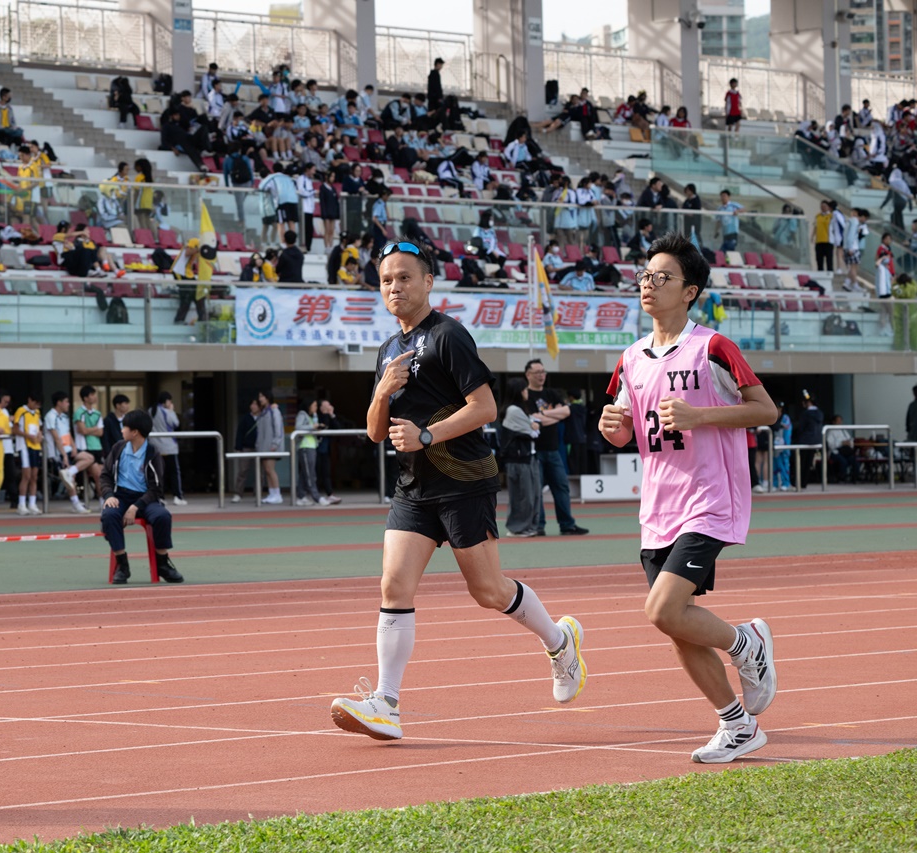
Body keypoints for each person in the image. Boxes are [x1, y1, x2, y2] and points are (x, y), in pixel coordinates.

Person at [330, 241, 587, 741]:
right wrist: (381, 392)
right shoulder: (387, 350)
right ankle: (386, 703)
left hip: (463, 481)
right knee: (393, 586)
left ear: (428, 282)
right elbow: (376, 432)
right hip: (413, 487)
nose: (395, 287)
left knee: (488, 591)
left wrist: (427, 436)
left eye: (405, 277)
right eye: (386, 280)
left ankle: (560, 642)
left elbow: (485, 408)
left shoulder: (448, 336)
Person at [599, 232, 778, 763]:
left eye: (662, 277)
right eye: (645, 275)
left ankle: (746, 643)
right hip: (658, 507)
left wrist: (700, 416)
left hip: (708, 499)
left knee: (662, 610)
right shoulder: (631, 358)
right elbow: (624, 432)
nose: (648, 284)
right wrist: (612, 427)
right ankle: (737, 725)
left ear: (690, 291)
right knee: (679, 626)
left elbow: (766, 411)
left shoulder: (713, 347)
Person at [101, 408, 185, 585]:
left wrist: (136, 506)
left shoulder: (153, 454)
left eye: (124, 427)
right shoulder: (118, 449)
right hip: (121, 496)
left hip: (146, 499)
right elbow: (105, 476)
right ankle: (122, 564)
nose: (121, 430)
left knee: (162, 516)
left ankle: (162, 563)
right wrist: (108, 495)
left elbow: (156, 489)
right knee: (109, 515)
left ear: (135, 432)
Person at [524, 360, 588, 535]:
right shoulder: (526, 395)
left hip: (553, 450)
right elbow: (531, 418)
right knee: (536, 490)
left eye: (543, 371)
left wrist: (543, 414)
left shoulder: (551, 393)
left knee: (561, 487)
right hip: (535, 451)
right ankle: (538, 526)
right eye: (537, 372)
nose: (541, 375)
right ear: (528, 374)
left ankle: (567, 525)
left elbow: (566, 412)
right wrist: (555, 416)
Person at [499, 378, 543, 537]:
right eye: (524, 389)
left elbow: (534, 428)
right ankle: (518, 528)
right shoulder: (513, 411)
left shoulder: (519, 409)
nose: (527, 391)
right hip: (519, 459)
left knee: (533, 495)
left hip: (527, 457)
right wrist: (534, 426)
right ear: (518, 392)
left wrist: (534, 426)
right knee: (523, 496)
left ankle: (527, 526)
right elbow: (532, 432)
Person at [42, 392, 92, 514]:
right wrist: (64, 455)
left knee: (89, 458)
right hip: (58, 452)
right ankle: (75, 503)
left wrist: (74, 447)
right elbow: (56, 438)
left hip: (69, 449)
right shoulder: (50, 416)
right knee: (71, 479)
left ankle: (70, 472)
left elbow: (68, 434)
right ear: (59, 403)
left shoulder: (64, 417)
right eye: (66, 402)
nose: (68, 404)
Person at [150, 391, 186, 506]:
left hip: (155, 446)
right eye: (170, 401)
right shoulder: (167, 412)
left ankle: (160, 496)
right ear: (166, 401)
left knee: (158, 473)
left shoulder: (150, 411)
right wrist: (171, 411)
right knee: (174, 472)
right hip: (169, 446)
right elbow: (175, 423)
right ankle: (177, 496)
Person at [293, 398, 330, 507]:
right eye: (314, 406)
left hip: (312, 446)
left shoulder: (312, 416)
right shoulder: (302, 414)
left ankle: (301, 496)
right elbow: (298, 427)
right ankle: (316, 496)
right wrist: (313, 427)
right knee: (310, 474)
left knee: (305, 473)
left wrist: (317, 426)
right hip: (304, 447)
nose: (316, 408)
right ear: (308, 405)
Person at [12, 393, 43, 515]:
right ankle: (21, 504)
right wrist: (28, 436)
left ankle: (32, 504)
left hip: (36, 446)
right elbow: (15, 429)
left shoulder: (37, 413)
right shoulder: (21, 411)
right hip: (24, 446)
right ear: (30, 400)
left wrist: (39, 435)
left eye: (38, 405)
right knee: (26, 476)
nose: (36, 406)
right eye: (35, 403)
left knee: (34, 476)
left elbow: (39, 427)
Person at [74, 385, 106, 497]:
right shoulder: (79, 412)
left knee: (101, 477)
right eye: (92, 395)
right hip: (85, 448)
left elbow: (100, 432)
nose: (94, 397)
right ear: (85, 398)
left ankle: (103, 501)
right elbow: (82, 430)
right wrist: (94, 428)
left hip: (97, 447)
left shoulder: (97, 413)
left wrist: (88, 430)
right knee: (98, 475)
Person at [256, 390, 284, 504]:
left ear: (267, 397)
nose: (260, 399)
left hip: (271, 446)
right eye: (259, 397)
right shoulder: (263, 412)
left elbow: (278, 428)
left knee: (270, 469)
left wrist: (275, 443)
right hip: (263, 447)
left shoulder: (274, 411)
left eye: (262, 396)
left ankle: (277, 494)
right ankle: (272, 493)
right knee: (267, 470)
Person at [231, 398, 260, 503]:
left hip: (260, 448)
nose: (253, 406)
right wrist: (238, 447)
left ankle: (258, 493)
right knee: (243, 471)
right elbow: (240, 433)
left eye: (256, 404)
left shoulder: (263, 417)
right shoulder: (245, 418)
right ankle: (238, 493)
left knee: (260, 473)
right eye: (252, 404)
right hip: (246, 447)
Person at [714, 189, 743, 254]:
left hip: (733, 231)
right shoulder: (719, 208)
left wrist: (737, 211)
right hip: (725, 233)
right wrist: (716, 231)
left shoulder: (733, 205)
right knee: (728, 251)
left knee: (728, 248)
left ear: (728, 197)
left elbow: (744, 209)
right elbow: (718, 221)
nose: (723, 198)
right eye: (721, 196)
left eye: (724, 196)